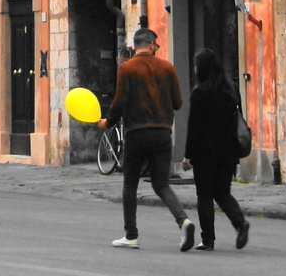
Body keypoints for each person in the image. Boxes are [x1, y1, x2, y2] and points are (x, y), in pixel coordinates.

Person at [98, 27, 197, 253]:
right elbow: (178, 103)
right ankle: (184, 221)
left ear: (136, 46)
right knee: (161, 184)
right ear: (151, 45)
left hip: (137, 133)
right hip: (163, 133)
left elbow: (120, 101)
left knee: (130, 183)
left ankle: (131, 235)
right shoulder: (167, 68)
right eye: (157, 45)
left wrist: (109, 122)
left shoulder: (127, 68)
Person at [182, 48, 250, 251]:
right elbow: (236, 120)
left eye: (196, 66)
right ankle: (240, 223)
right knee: (223, 193)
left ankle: (208, 240)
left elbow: (194, 127)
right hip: (228, 150)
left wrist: (188, 155)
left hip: (205, 152)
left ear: (201, 68)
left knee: (204, 195)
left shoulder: (199, 93)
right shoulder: (232, 89)